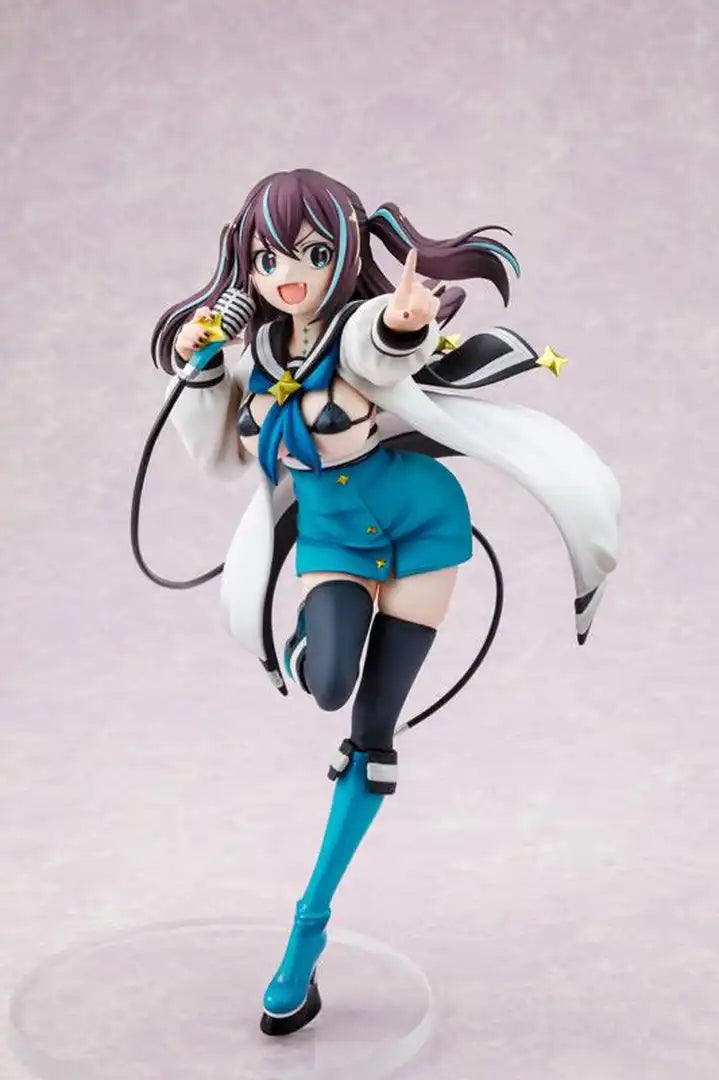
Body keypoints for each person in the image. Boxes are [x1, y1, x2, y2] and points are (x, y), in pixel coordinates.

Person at [150, 168, 620, 1035]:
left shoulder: (357, 330)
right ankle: (309, 637)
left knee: (370, 738)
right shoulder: (250, 355)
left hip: (424, 528)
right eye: (268, 258)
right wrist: (199, 368)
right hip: (333, 542)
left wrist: (403, 320)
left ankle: (305, 936)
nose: (289, 274)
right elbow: (219, 459)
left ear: (341, 255)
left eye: (312, 252)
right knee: (327, 682)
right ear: (246, 266)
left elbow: (379, 344)